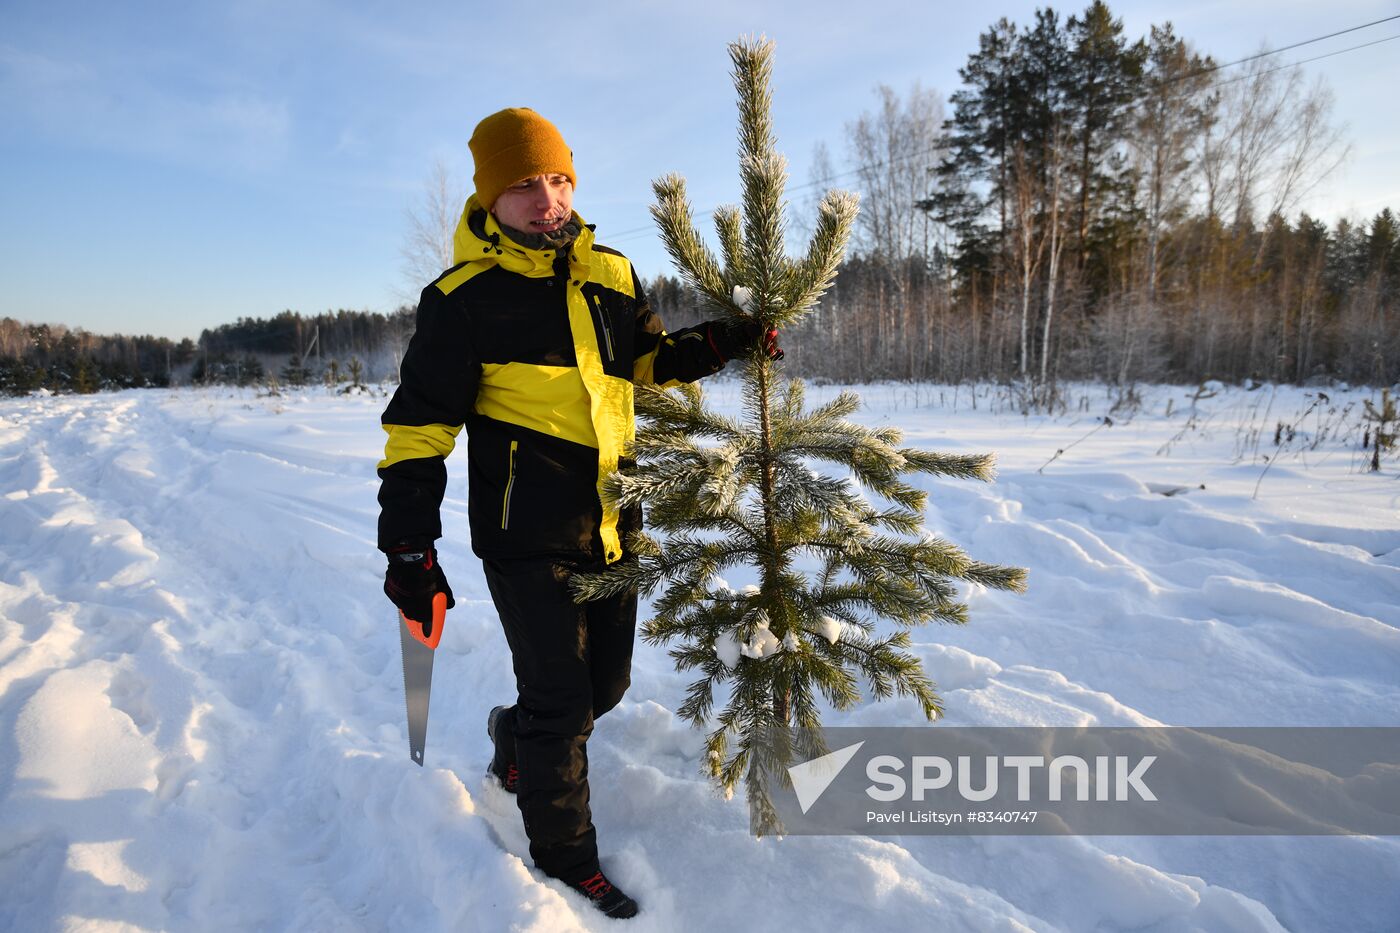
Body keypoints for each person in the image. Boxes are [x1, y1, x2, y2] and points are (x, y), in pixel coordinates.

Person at [376, 107, 779, 920]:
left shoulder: (613, 273)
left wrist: (726, 341)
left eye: (558, 179)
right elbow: (419, 430)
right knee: (562, 704)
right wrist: (410, 548)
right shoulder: (463, 300)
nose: (547, 199)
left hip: (612, 522)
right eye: (525, 185)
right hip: (526, 535)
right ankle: (567, 858)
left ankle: (512, 736)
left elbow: (646, 360)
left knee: (606, 685)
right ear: (491, 198)